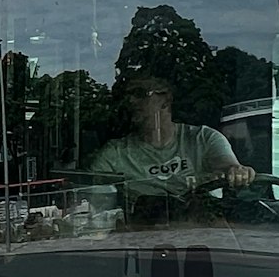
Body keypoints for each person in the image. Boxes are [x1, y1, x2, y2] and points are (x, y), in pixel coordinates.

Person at [86, 73, 254, 198]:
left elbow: (228, 167)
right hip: (142, 231)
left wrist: (237, 172)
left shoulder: (203, 139)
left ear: (166, 100)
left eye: (139, 94)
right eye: (126, 96)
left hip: (205, 228)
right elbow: (92, 196)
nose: (130, 101)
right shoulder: (115, 155)